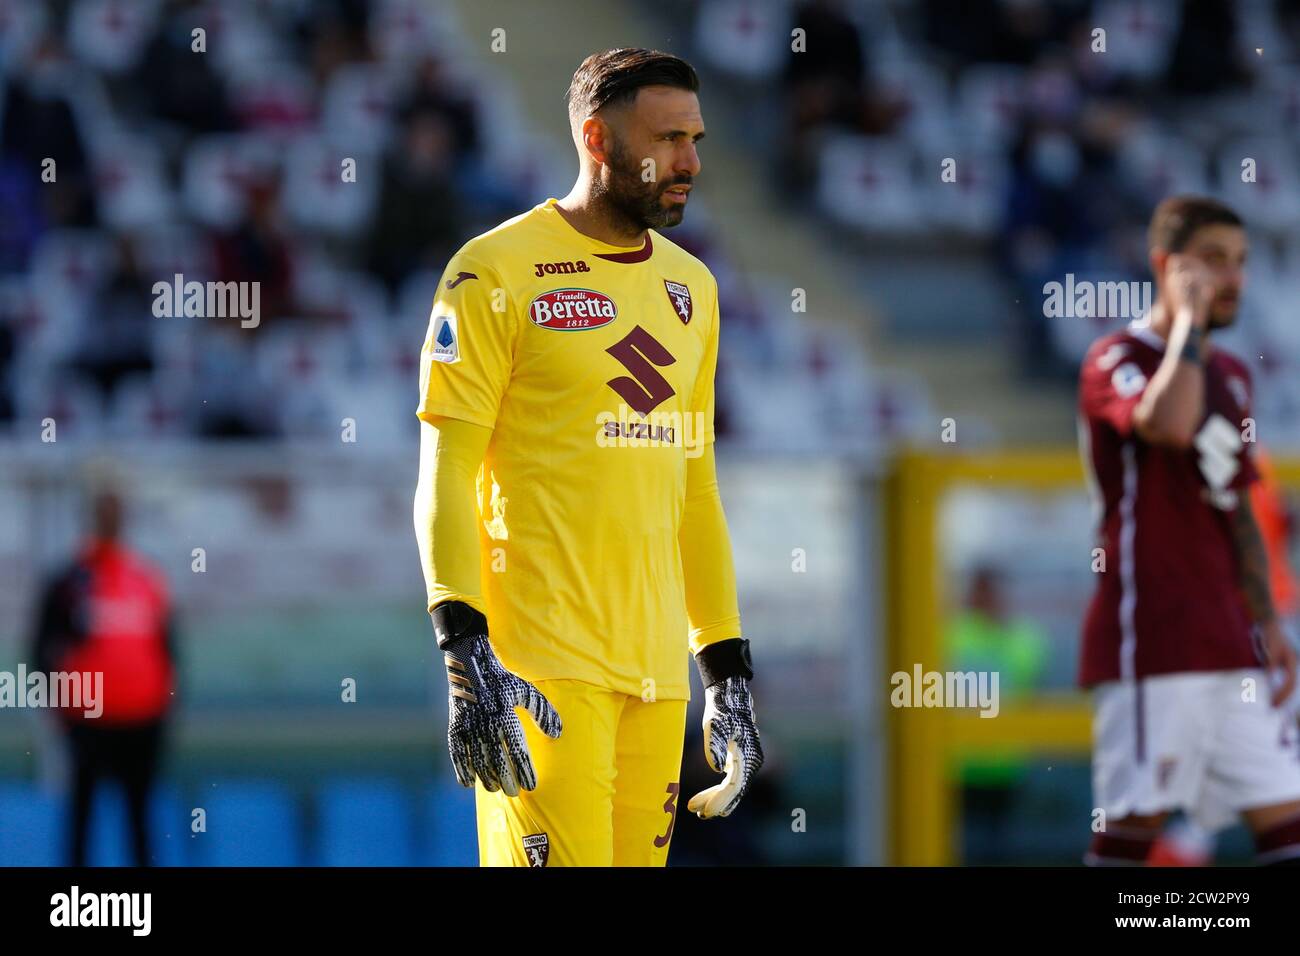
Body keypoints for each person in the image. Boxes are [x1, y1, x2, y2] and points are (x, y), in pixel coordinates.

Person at [412, 48, 763, 867]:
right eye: (668, 139)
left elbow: (694, 493)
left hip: (656, 680)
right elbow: (446, 470)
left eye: (695, 139)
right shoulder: (492, 270)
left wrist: (726, 673)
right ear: (597, 139)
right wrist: (464, 651)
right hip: (540, 671)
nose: (690, 162)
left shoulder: (694, 289)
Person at [1077, 195, 1300, 866]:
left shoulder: (1232, 374)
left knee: (1288, 820)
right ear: (1166, 266)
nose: (1232, 278)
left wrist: (1268, 620)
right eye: (1213, 260)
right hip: (1154, 637)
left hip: (1231, 638)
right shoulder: (1116, 357)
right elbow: (1170, 424)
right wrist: (1190, 327)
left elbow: (1236, 506)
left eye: (1240, 262)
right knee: (1132, 831)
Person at [31, 488, 177, 867]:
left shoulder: (145, 578)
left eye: (116, 513)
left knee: (139, 819)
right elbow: (42, 648)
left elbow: (168, 649)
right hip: (87, 721)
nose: (110, 520)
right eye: (103, 513)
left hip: (142, 721)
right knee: (81, 818)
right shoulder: (68, 581)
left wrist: (163, 708)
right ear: (91, 518)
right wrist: (59, 710)